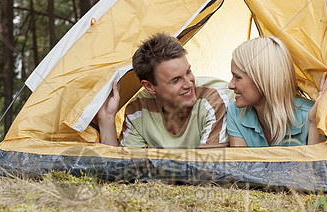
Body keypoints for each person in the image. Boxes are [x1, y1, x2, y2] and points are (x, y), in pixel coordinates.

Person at [96, 32, 230, 148]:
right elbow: (123, 169)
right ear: (149, 87)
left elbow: (212, 170)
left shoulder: (214, 101)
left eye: (188, 72)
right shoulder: (139, 110)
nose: (189, 84)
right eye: (176, 80)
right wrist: (106, 118)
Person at [227, 36, 327, 147]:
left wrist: (314, 122)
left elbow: (317, 164)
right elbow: (240, 163)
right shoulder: (235, 112)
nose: (230, 85)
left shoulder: (309, 115)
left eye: (237, 77)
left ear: (263, 79)